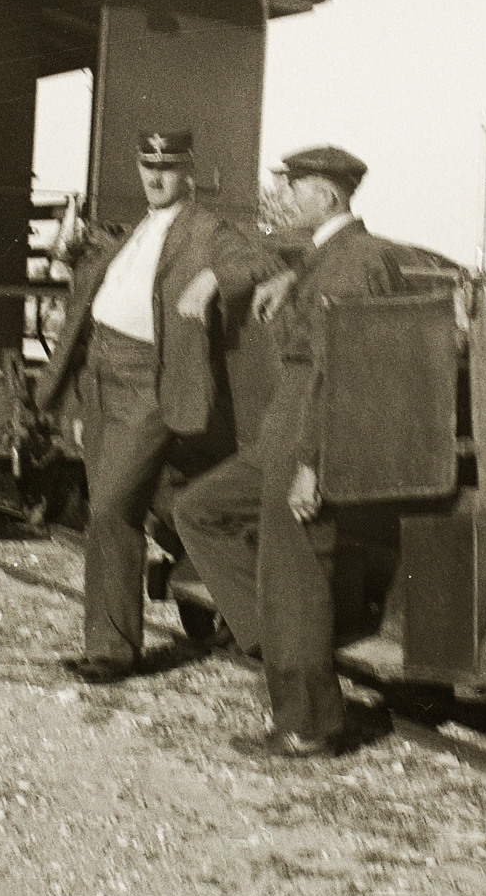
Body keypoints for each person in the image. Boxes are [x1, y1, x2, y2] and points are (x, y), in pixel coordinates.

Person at [174, 144, 408, 756]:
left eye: (296, 186)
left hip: (310, 436)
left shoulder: (356, 261)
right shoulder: (328, 257)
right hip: (285, 428)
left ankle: (309, 726)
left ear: (327, 195)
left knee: (297, 582)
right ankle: (273, 641)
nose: (286, 195)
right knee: (199, 510)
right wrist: (287, 278)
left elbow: (348, 376)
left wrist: (313, 464)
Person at [35, 128, 277, 683]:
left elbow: (262, 265)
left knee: (111, 509)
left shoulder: (206, 227)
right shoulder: (139, 227)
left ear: (188, 172)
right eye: (147, 165)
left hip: (149, 380)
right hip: (100, 374)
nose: (155, 176)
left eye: (167, 167)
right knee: (121, 504)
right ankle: (227, 616)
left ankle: (115, 650)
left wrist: (215, 277)